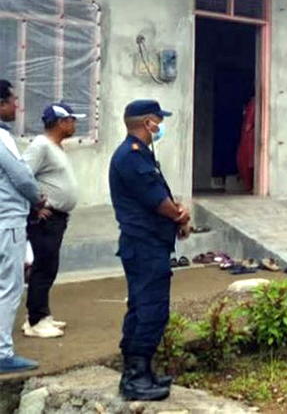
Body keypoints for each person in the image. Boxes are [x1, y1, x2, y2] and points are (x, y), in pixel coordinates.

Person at [110, 99, 190, 400]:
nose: (161, 126)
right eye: (159, 121)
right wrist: (180, 216)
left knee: (142, 308)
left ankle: (139, 371)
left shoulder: (140, 154)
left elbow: (158, 195)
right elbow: (157, 201)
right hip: (144, 245)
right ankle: (135, 379)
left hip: (147, 244)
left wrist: (176, 212)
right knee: (151, 310)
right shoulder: (131, 156)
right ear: (148, 123)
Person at [22, 103, 85, 339]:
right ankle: (36, 320)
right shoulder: (41, 146)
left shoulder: (55, 147)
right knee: (44, 267)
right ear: (60, 122)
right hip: (45, 219)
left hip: (57, 218)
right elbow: (22, 177)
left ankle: (42, 314)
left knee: (49, 266)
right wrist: (35, 207)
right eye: (71, 120)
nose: (74, 124)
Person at [0, 80, 43, 374]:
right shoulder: (2, 137)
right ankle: (3, 353)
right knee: (9, 286)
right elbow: (21, 176)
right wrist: (38, 199)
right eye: (13, 100)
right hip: (7, 220)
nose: (17, 106)